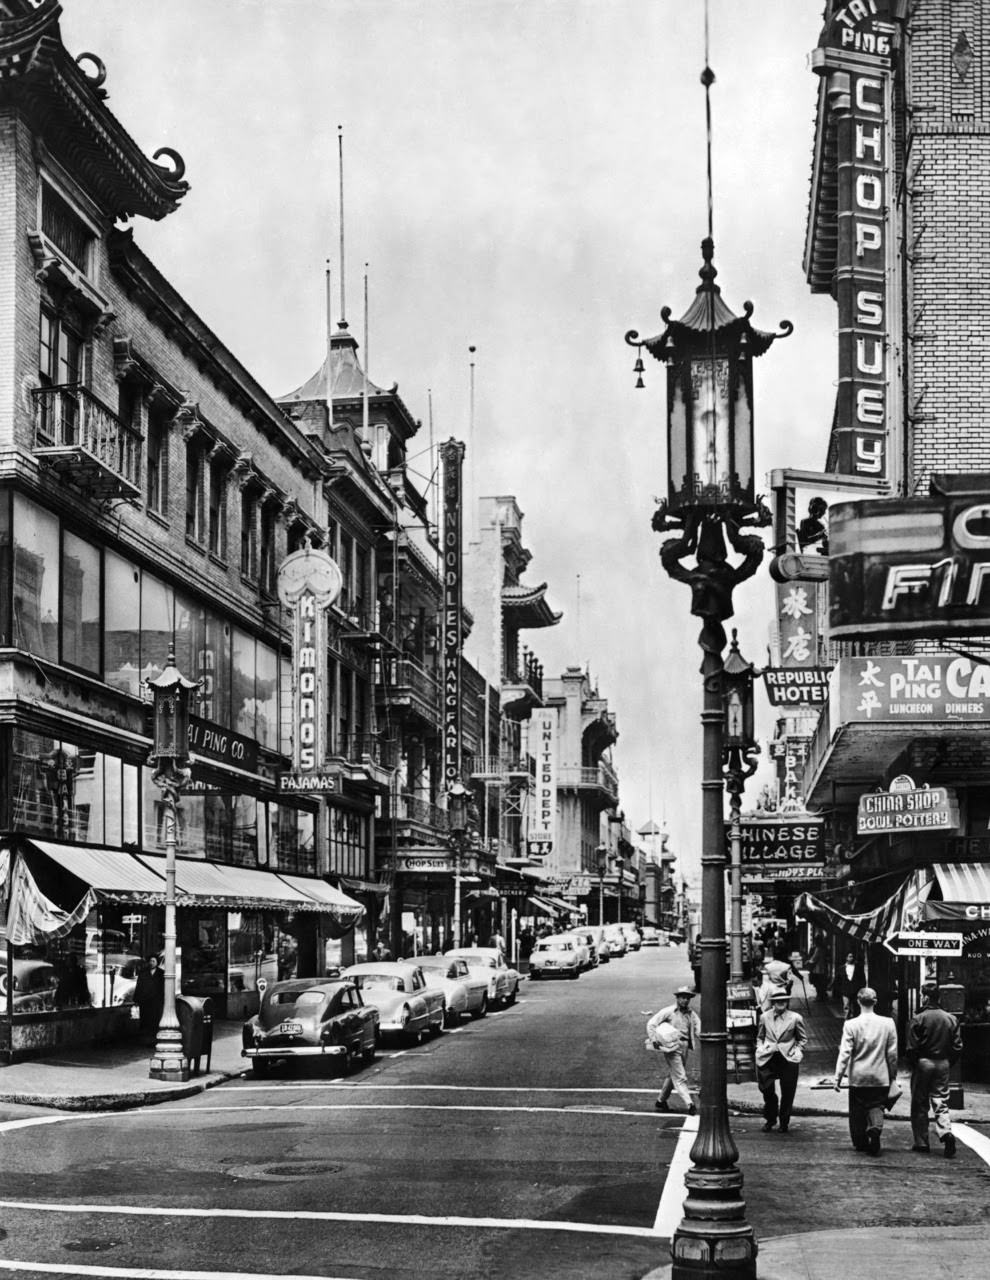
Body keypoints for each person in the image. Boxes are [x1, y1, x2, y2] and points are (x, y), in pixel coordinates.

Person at [833, 986, 899, 1156]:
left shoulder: (851, 1024)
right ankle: (875, 1128)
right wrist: (892, 1076)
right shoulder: (888, 1023)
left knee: (857, 1110)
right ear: (875, 1002)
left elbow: (845, 1053)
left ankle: (860, 1141)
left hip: (858, 1077)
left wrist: (838, 1077)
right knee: (876, 1105)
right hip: (880, 1075)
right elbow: (892, 1054)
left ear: (858, 1002)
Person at [907, 981, 963, 1158]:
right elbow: (957, 1046)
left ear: (924, 997)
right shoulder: (950, 1018)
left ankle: (922, 1142)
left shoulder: (919, 1018)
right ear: (938, 998)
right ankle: (946, 1132)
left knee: (920, 1103)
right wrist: (948, 1061)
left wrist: (915, 1064)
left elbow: (911, 1047)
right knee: (941, 1100)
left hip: (924, 1062)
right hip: (943, 1063)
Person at [756, 989, 808, 1134]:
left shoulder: (795, 1018)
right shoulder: (764, 1017)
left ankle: (784, 1122)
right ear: (772, 1002)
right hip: (768, 1056)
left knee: (788, 1091)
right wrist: (760, 1048)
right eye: (778, 1000)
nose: (781, 1003)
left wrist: (797, 1052)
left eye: (784, 1000)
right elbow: (760, 1036)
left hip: (788, 1058)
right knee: (766, 1088)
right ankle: (770, 1118)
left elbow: (802, 1039)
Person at [646, 985, 701, 1115]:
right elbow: (652, 1023)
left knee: (674, 1074)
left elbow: (699, 1028)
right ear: (677, 998)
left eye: (687, 998)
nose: (685, 1000)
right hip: (672, 1046)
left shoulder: (691, 1014)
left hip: (685, 1046)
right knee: (680, 1075)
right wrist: (654, 1039)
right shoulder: (669, 1011)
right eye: (682, 997)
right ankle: (690, 1104)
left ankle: (661, 1101)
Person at [133, 955, 165, 1044]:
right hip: (145, 1001)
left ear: (157, 962)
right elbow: (139, 986)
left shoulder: (161, 973)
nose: (151, 963)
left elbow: (163, 988)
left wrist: (162, 999)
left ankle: (154, 1039)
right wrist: (136, 999)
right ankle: (145, 1040)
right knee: (145, 1019)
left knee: (155, 1019)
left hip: (155, 1001)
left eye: (153, 961)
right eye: (150, 961)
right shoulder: (143, 973)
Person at [834, 950, 867, 1018]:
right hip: (845, 991)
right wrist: (840, 990)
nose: (851, 958)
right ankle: (847, 1021)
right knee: (846, 1007)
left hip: (856, 991)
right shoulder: (841, 968)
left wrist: (861, 990)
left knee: (856, 1008)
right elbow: (838, 980)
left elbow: (862, 980)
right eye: (850, 956)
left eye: (852, 957)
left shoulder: (858, 968)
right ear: (846, 958)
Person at [807, 932, 829, 1003]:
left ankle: (820, 997)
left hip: (818, 969)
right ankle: (822, 996)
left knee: (818, 984)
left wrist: (808, 962)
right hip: (823, 969)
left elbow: (814, 958)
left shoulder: (818, 948)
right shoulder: (823, 948)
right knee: (821, 984)